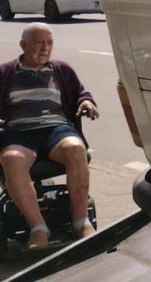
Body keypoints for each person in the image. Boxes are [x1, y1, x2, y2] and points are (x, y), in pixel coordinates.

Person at [0, 23, 98, 250]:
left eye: (50, 43)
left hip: (57, 129)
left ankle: (80, 221)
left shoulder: (61, 69)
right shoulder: (5, 73)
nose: (45, 48)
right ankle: (38, 228)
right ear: (23, 45)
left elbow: (81, 93)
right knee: (11, 159)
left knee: (76, 148)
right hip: (19, 133)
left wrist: (86, 102)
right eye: (39, 43)